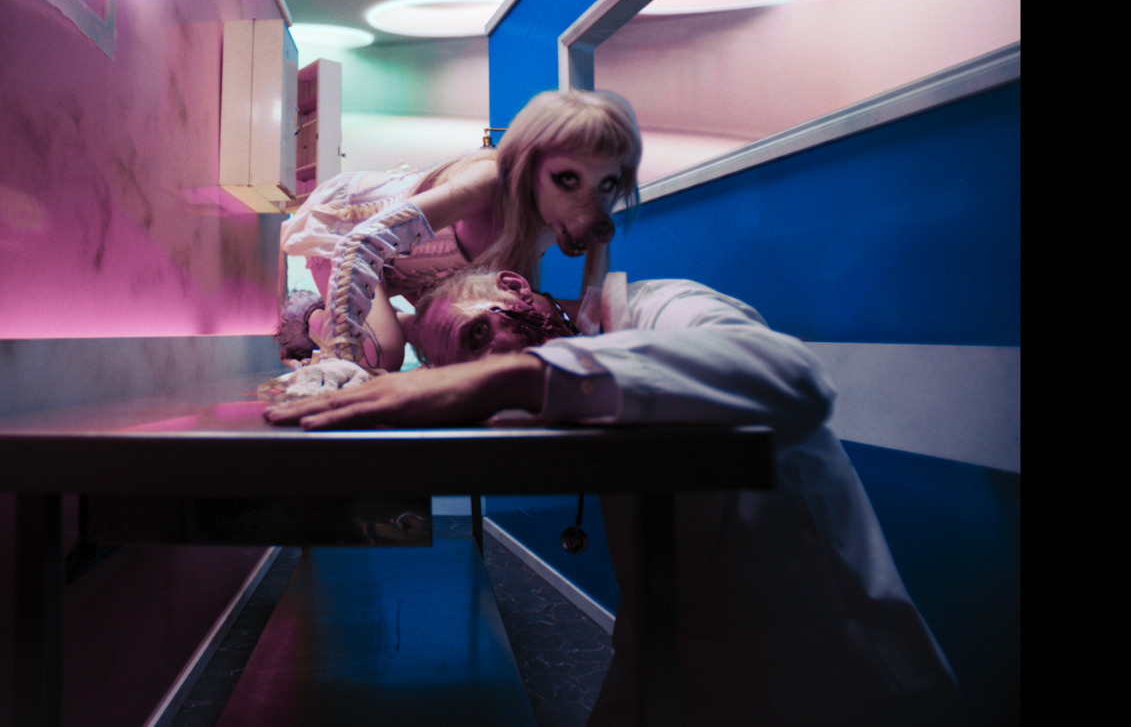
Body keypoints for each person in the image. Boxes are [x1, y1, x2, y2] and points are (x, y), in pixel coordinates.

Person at [265, 266, 967, 727]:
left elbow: (796, 376)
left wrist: (506, 382)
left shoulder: (662, 307)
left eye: (484, 332)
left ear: (518, 289)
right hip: (677, 662)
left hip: (842, 680)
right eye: (467, 363)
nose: (489, 362)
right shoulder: (561, 387)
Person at [278, 89, 641, 371]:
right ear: (530, 164)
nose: (592, 208)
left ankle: (388, 325)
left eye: (607, 184)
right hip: (348, 233)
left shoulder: (547, 221)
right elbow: (361, 243)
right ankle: (307, 315)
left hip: (422, 269)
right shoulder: (487, 180)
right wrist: (343, 356)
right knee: (381, 357)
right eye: (567, 179)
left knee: (456, 344)